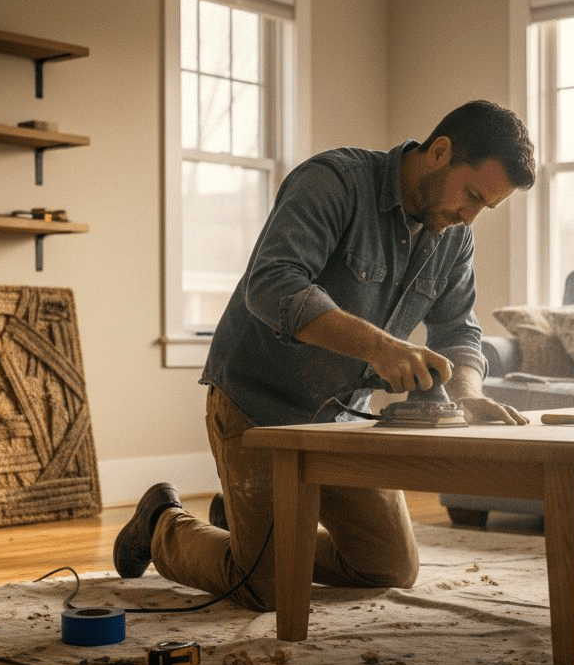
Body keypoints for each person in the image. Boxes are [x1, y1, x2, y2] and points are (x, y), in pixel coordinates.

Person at [114, 99, 536, 611]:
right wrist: (381, 346)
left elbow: (458, 329)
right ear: (440, 152)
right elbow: (272, 286)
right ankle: (161, 521)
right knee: (264, 588)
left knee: (389, 569)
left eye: (483, 208)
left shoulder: (454, 236)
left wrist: (469, 394)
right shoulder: (333, 181)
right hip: (257, 404)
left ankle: (250, 531)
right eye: (470, 195)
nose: (468, 216)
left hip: (340, 418)